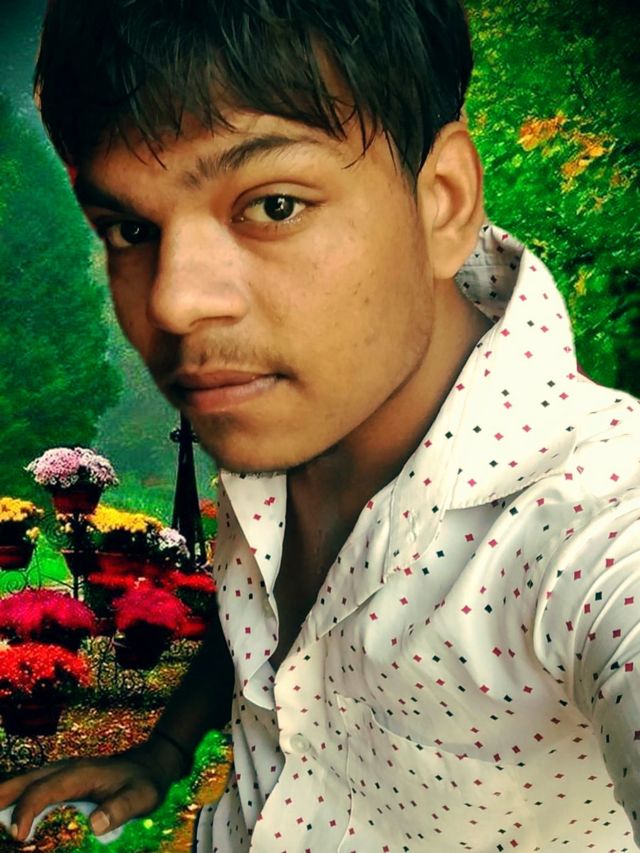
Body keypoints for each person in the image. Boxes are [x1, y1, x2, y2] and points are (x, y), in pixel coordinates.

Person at [2, 0, 640, 850]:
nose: (175, 302)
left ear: (444, 201)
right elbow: (262, 616)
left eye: (273, 206)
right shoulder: (283, 413)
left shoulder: (597, 519)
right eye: (130, 228)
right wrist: (163, 751)